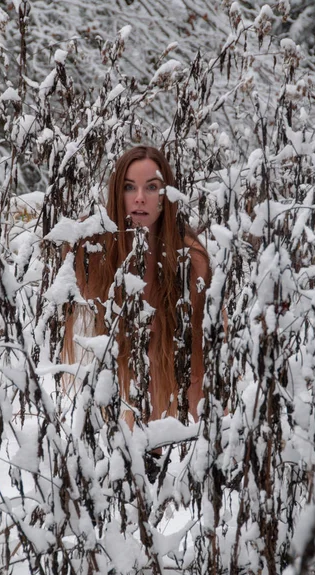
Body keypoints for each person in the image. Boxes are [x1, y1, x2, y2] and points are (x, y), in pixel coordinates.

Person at [63, 146, 210, 426]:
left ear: (166, 195)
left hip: (174, 413)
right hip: (113, 404)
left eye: (152, 187)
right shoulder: (92, 248)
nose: (140, 199)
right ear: (118, 193)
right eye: (130, 187)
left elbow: (198, 366)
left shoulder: (191, 261)